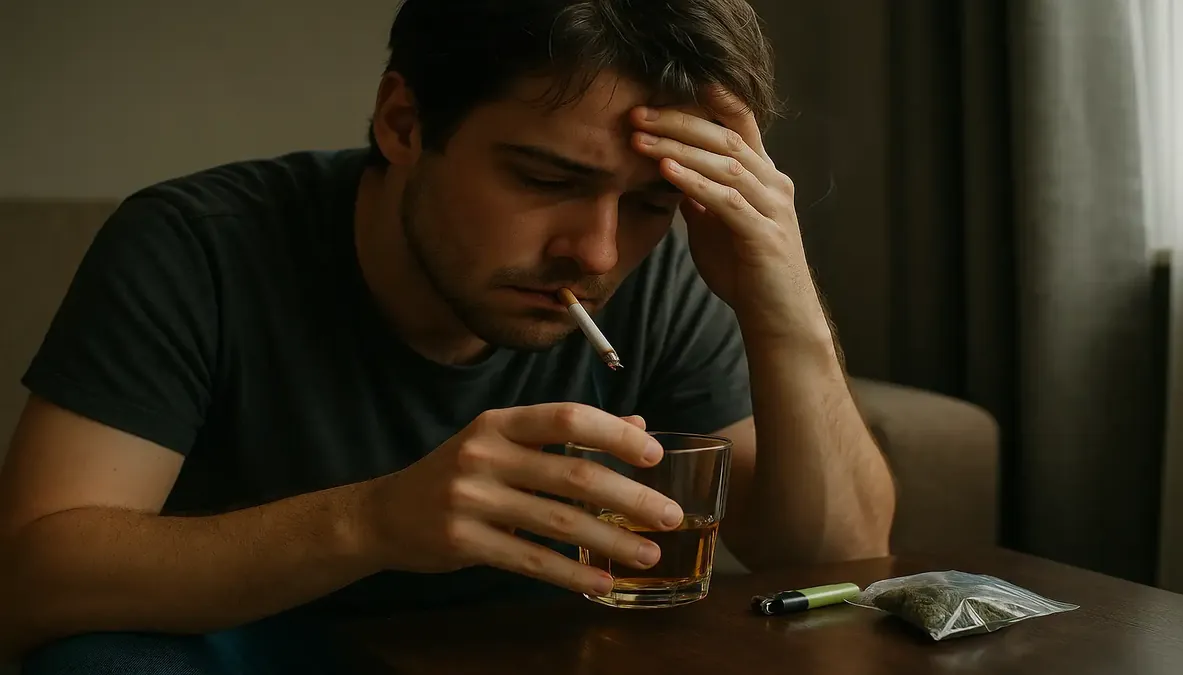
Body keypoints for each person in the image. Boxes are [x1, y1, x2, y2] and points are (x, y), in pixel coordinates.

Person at [0, 0, 895, 669]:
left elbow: (837, 559)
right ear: (403, 123)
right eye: (546, 178)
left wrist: (787, 306)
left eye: (653, 202)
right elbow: (31, 579)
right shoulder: (197, 244)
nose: (594, 250)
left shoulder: (655, 267)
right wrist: (374, 519)